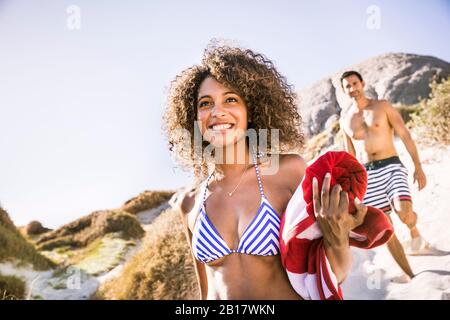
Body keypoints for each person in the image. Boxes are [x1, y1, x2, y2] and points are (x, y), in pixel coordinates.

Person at [162, 42, 367, 299]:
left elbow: (333, 274)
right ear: (193, 119)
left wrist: (337, 237)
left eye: (231, 99)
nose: (217, 111)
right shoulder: (189, 204)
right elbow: (207, 293)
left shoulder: (288, 172)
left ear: (252, 110)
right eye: (205, 103)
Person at [339, 70, 432, 282]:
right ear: (344, 90)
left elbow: (405, 135)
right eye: (348, 86)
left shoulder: (382, 106)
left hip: (391, 166)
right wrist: (351, 187)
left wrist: (418, 166)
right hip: (366, 175)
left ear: (363, 83)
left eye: (355, 83)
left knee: (404, 213)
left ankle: (414, 229)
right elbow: (349, 155)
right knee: (384, 229)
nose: (353, 88)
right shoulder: (345, 119)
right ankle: (413, 276)